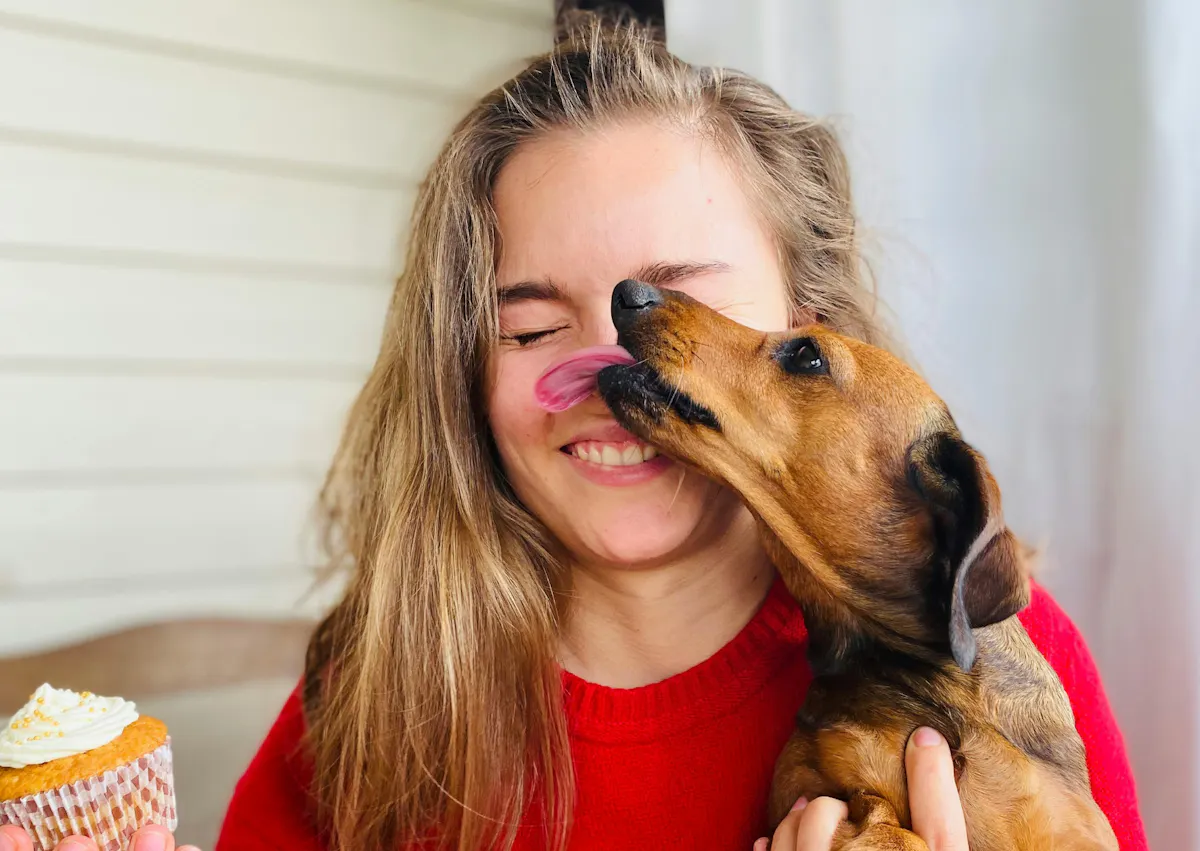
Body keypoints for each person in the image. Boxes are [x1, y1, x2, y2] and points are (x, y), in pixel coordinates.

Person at [1, 14, 1146, 851]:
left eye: (673, 300)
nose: (609, 370)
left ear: (813, 321)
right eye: (533, 326)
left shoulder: (1003, 662)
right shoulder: (380, 691)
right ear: (461, 372)